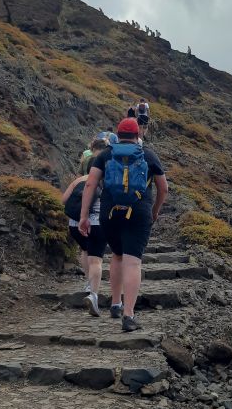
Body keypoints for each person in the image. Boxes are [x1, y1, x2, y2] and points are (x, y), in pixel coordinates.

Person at [79, 118, 168, 332]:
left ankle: (115, 304)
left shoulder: (105, 155)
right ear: (138, 135)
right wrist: (154, 211)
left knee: (117, 256)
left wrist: (84, 216)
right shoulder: (148, 154)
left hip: (109, 213)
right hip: (138, 212)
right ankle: (128, 316)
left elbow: (90, 184)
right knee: (133, 262)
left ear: (118, 135)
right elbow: (163, 188)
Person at [62, 161, 105, 317]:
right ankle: (93, 294)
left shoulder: (78, 181)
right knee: (96, 260)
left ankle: (88, 283)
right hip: (96, 224)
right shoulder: (104, 180)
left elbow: (64, 200)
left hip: (74, 224)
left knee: (85, 250)